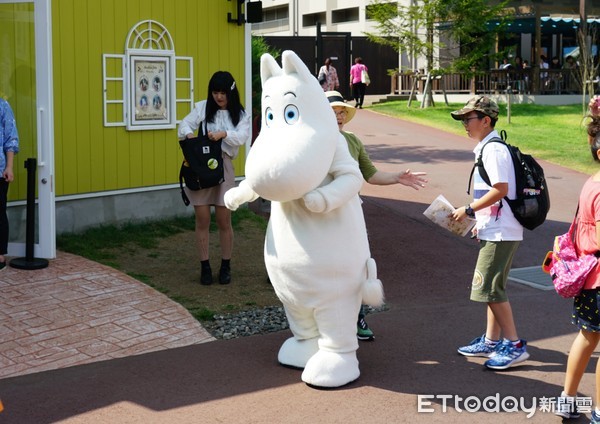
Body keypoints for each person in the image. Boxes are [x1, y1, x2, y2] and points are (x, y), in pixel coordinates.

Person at [325, 90, 428, 341]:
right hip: (323, 213)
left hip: (351, 212)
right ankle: (324, 322)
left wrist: (396, 178)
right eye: (333, 112)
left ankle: (357, 316)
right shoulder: (314, 142)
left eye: (342, 112)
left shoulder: (352, 141)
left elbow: (370, 174)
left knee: (358, 265)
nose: (339, 117)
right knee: (327, 267)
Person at [449, 95, 529, 370]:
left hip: (501, 230)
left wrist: (469, 210)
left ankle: (515, 345)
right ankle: (492, 341)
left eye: (468, 119)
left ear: (486, 120)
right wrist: (479, 220)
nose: (464, 124)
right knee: (494, 287)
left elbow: (500, 189)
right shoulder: (488, 148)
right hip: (496, 227)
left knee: (488, 288)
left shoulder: (493, 150)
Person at [178, 71, 251, 285]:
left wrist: (224, 134)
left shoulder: (240, 114)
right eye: (215, 92)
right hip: (200, 167)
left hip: (224, 166)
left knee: (223, 219)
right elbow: (184, 125)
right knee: (202, 219)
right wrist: (190, 135)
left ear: (231, 93)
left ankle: (225, 265)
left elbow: (243, 136)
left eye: (222, 93)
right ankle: (205, 266)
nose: (218, 97)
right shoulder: (202, 107)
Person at [555, 96, 600, 422]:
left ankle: (568, 399)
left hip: (590, 277)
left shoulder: (592, 183)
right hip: (599, 278)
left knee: (587, 338)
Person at [0, 99, 19, 270]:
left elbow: (10, 137)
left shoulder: (2, 106)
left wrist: (9, 166)